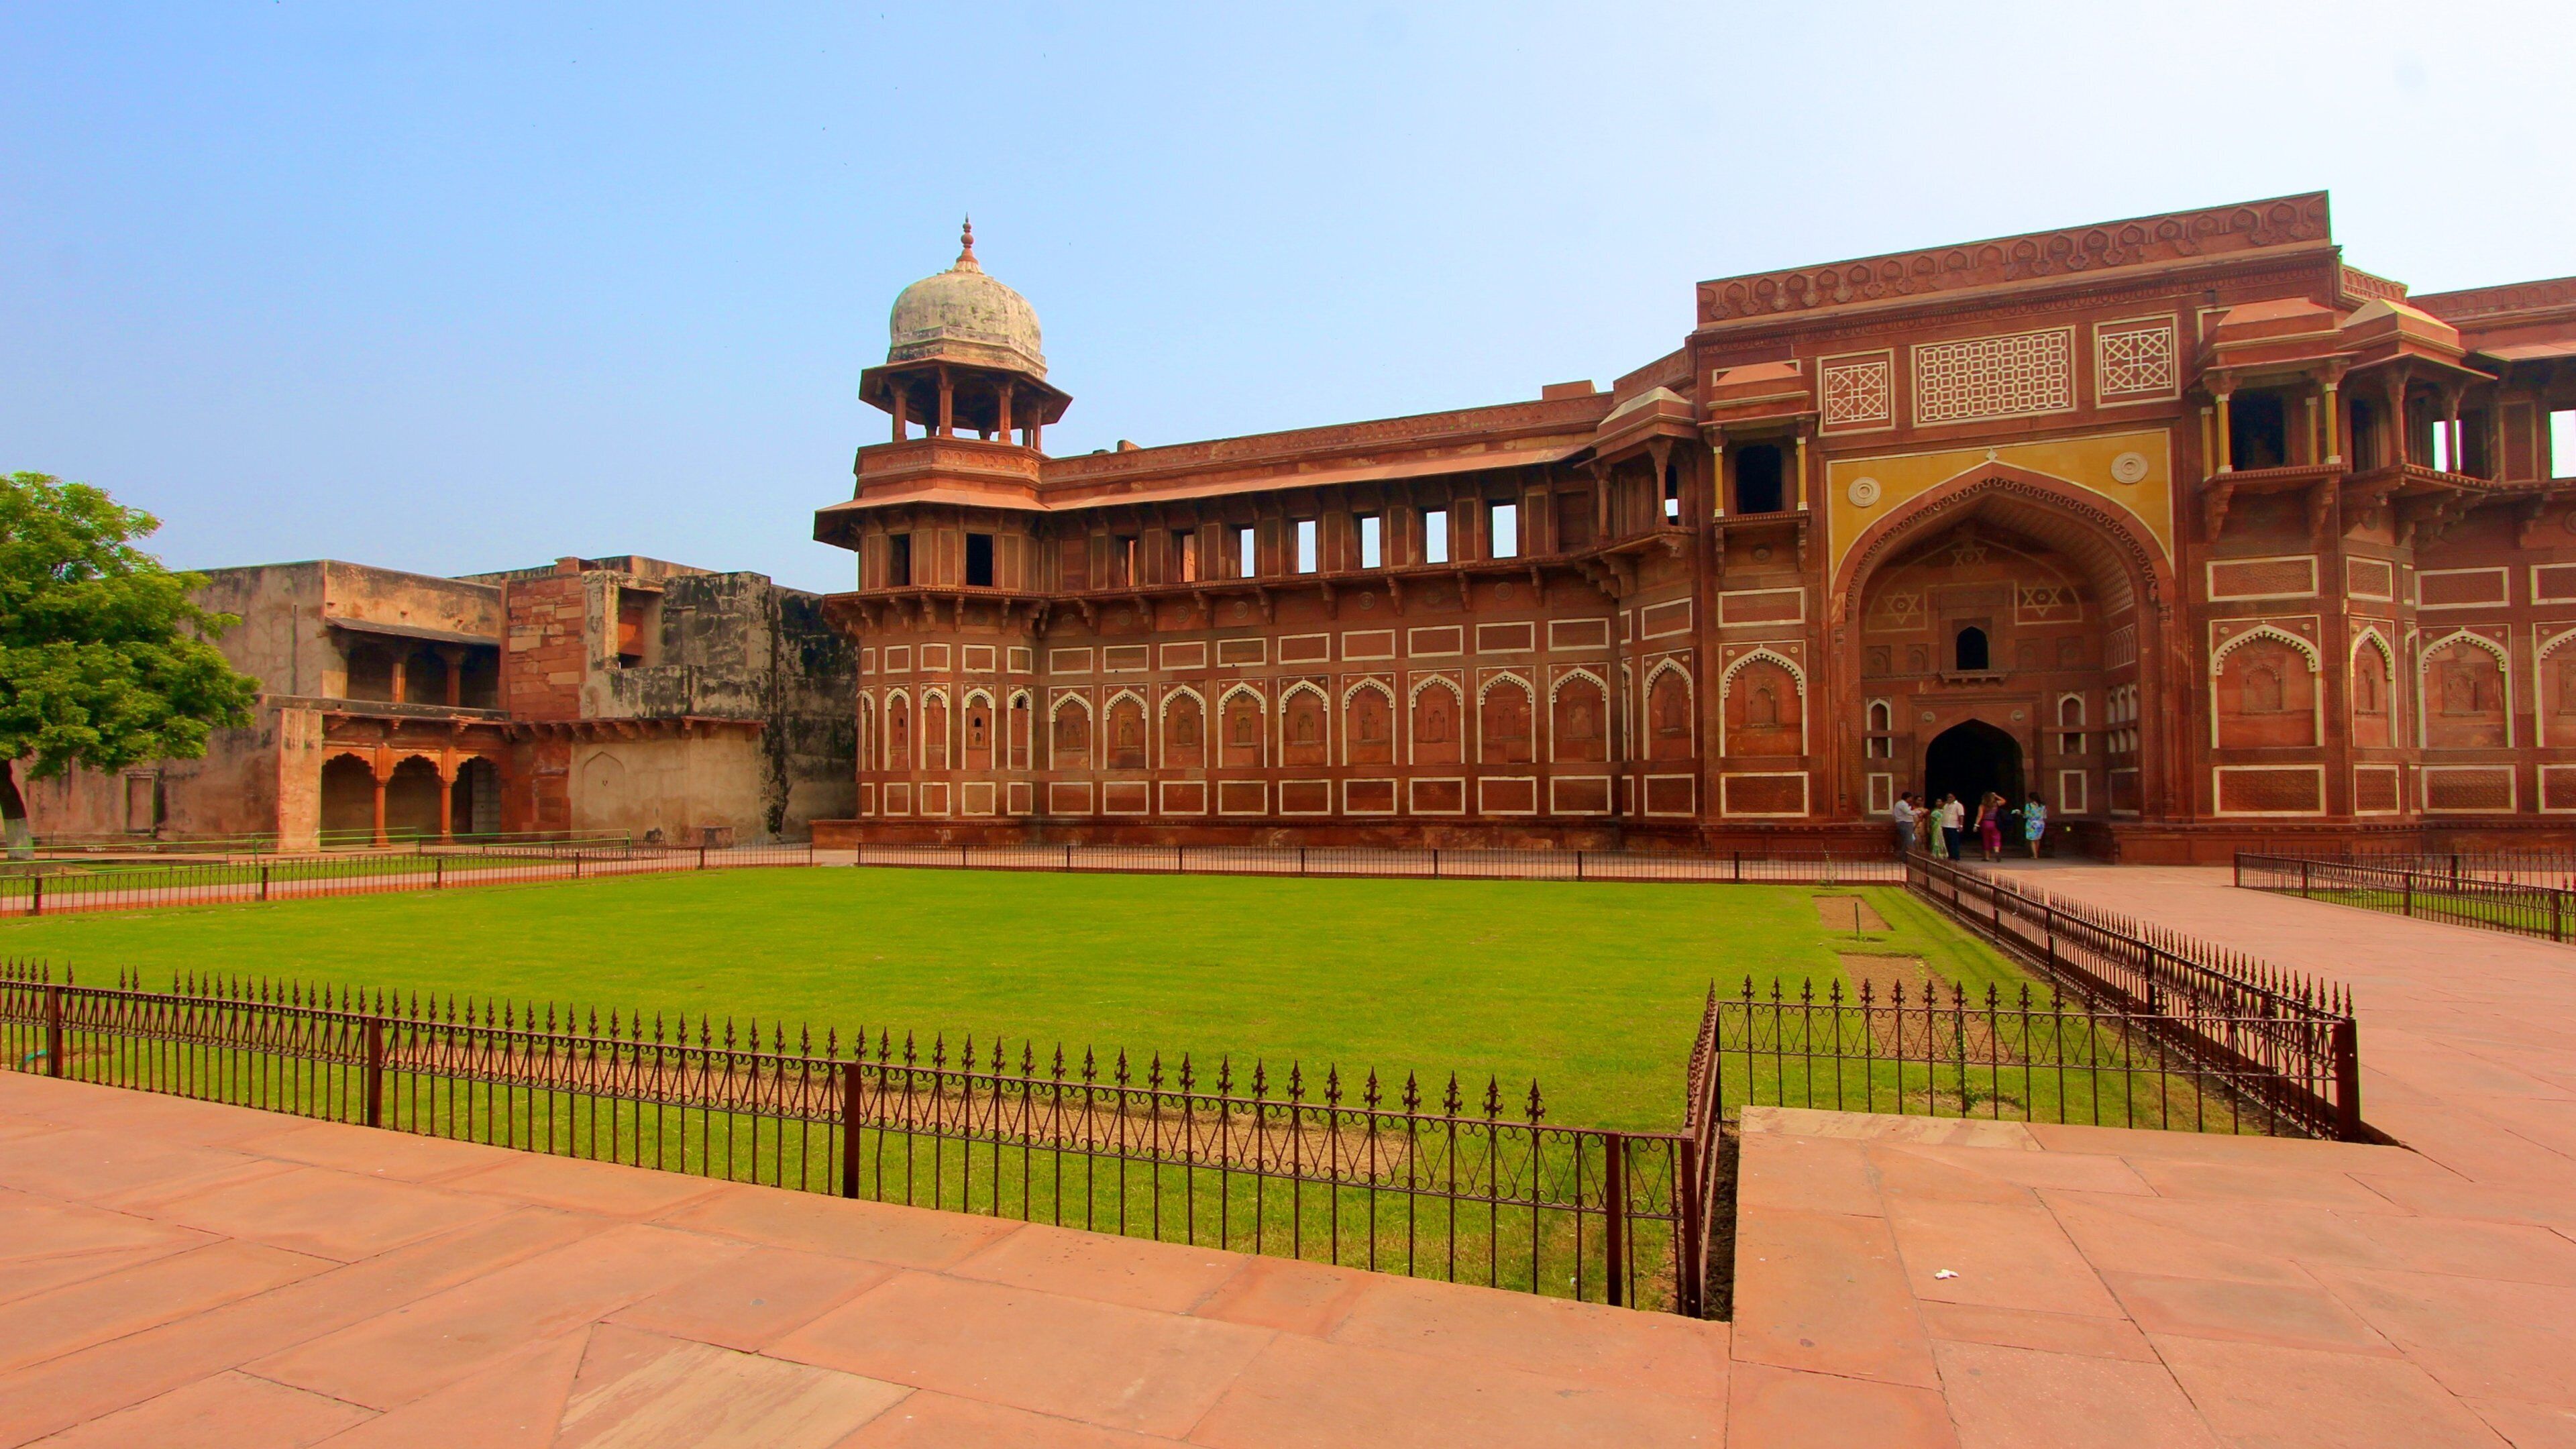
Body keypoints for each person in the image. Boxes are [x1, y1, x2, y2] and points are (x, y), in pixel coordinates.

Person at [1978, 792, 2005, 861]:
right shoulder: (1996, 804)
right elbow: (2004, 801)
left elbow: (1979, 816)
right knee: (1996, 838)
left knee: (1986, 839)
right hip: (1994, 823)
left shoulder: (1982, 806)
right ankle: (1997, 851)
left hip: (1985, 823)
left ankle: (1987, 857)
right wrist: (1996, 795)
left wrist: (1976, 824)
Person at [1939, 793, 1966, 861]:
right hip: (1945, 825)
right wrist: (1946, 802)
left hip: (1953, 826)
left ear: (1954, 797)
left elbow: (1961, 816)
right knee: (1947, 842)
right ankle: (1950, 856)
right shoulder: (1946, 805)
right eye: (1948, 797)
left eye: (1951, 797)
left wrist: (1961, 825)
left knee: (1954, 842)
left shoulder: (1958, 805)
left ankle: (1956, 856)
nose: (1949, 798)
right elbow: (1939, 806)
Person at [1888, 791, 1917, 855]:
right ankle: (1905, 856)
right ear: (1907, 798)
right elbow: (1909, 812)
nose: (1911, 800)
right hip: (1905, 823)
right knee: (1908, 841)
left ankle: (1906, 856)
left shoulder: (1900, 804)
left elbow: (1893, 815)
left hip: (1903, 823)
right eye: (1910, 798)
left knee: (1907, 840)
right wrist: (1918, 812)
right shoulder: (1903, 804)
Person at [2023, 792, 2049, 859]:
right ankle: (2036, 853)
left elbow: (2027, 815)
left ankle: (2035, 855)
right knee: (2037, 839)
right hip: (2040, 823)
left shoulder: (2029, 806)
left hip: (2032, 823)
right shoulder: (2043, 806)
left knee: (2032, 840)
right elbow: (2045, 816)